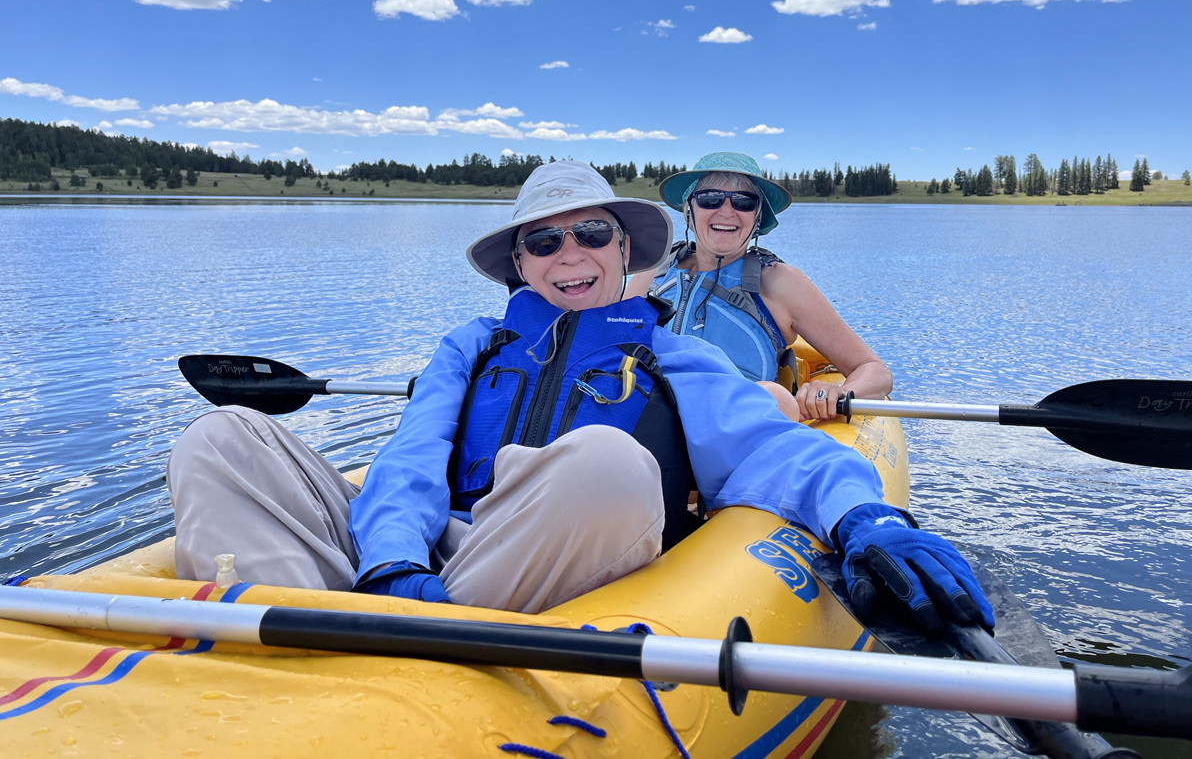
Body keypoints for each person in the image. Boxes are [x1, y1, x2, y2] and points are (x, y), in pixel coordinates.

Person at [166, 161, 990, 633]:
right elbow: (411, 457)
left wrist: (867, 518)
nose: (571, 253)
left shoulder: (671, 355)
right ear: (519, 265)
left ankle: (400, 636)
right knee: (224, 435)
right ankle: (300, 635)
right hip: (432, 561)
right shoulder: (472, 344)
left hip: (553, 555)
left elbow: (774, 449)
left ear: (624, 249)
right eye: (545, 241)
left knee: (605, 461)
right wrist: (391, 564)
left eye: (593, 234)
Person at [627, 152, 891, 423]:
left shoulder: (779, 282)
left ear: (758, 216)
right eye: (709, 199)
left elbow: (874, 370)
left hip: (733, 432)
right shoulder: (655, 269)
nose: (726, 212)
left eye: (744, 202)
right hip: (645, 420)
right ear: (688, 208)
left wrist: (840, 393)